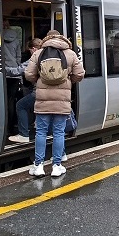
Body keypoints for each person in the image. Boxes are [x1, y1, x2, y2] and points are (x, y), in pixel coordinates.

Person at [26, 30, 85, 177]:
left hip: (42, 101)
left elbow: (28, 74)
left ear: (46, 39)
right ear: (62, 38)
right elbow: (80, 73)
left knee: (41, 132)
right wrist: (69, 80)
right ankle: (56, 166)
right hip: (62, 101)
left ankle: (38, 166)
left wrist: (39, 80)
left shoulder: (38, 53)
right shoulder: (70, 54)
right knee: (59, 132)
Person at [3, 20, 22, 135]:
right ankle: (11, 126)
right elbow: (18, 56)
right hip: (14, 73)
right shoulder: (16, 39)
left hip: (3, 73)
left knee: (4, 101)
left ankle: (4, 125)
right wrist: (16, 68)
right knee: (12, 100)